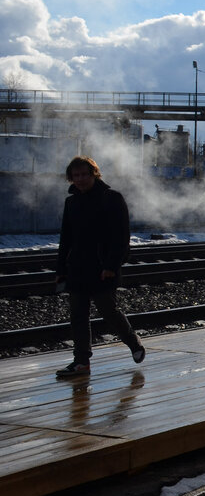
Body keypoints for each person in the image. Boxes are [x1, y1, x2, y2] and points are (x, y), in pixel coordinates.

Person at [54, 156, 146, 378]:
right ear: (71, 178)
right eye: (76, 176)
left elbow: (121, 237)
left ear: (94, 174)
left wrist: (112, 265)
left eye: (84, 174)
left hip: (103, 268)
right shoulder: (72, 202)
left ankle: (134, 344)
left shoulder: (111, 199)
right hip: (77, 267)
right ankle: (81, 361)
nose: (80, 179)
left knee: (108, 311)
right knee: (77, 314)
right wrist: (60, 270)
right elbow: (66, 238)